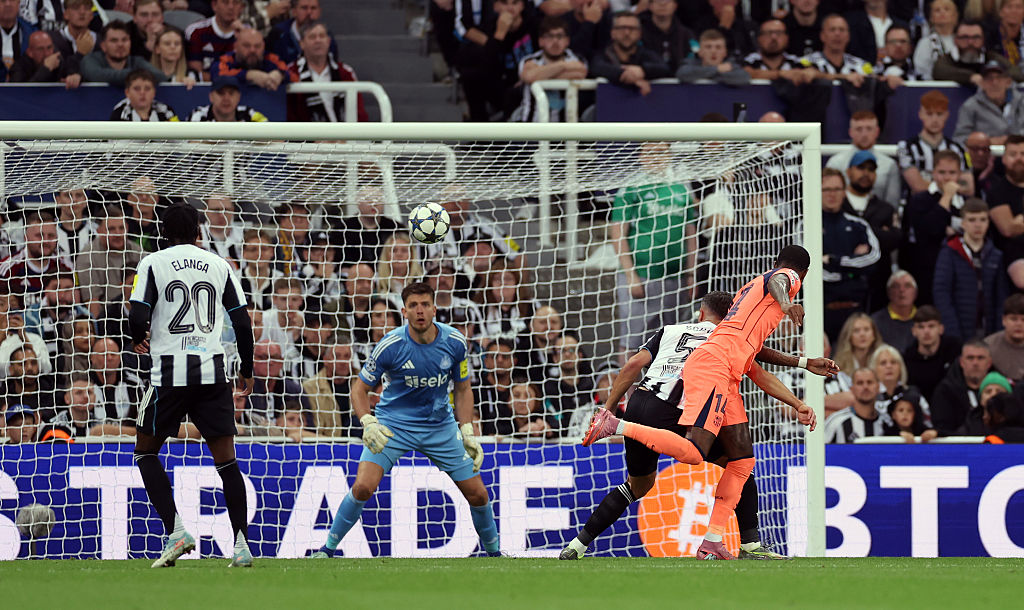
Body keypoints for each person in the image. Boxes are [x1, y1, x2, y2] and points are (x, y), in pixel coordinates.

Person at [562, 290, 832, 561]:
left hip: (641, 402)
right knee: (740, 464)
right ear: (733, 317)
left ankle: (577, 545)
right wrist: (798, 403)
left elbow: (633, 364)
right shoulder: (728, 340)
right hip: (675, 411)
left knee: (637, 486)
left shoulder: (670, 330)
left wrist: (608, 407)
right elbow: (760, 374)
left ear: (701, 313)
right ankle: (749, 545)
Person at [310, 282, 501, 559]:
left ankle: (495, 555)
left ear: (435, 309)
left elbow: (463, 388)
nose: (420, 311)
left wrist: (468, 429)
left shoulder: (455, 343)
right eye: (413, 306)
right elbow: (359, 389)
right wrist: (368, 422)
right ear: (404, 311)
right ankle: (327, 549)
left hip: (440, 427)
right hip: (394, 426)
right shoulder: (390, 345)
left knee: (479, 495)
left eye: (425, 304)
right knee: (363, 487)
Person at [127, 202, 256, 568]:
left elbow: (138, 314)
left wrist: (138, 336)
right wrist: (246, 367)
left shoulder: (152, 263)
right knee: (227, 461)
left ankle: (176, 531)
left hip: (169, 373)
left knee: (146, 452)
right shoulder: (220, 265)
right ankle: (242, 546)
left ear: (163, 233)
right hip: (212, 374)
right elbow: (242, 323)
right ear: (199, 231)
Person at [611, 141, 696, 356]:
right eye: (649, 152)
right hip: (641, 276)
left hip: (675, 279)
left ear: (669, 155)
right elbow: (617, 232)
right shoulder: (631, 187)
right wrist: (630, 275)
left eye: (660, 152)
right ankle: (629, 391)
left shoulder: (681, 187)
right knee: (632, 342)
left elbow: (691, 234)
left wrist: (691, 274)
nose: (655, 157)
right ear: (640, 157)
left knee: (675, 342)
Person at [933, 197, 1009, 341]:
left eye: (982, 220)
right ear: (963, 223)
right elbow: (941, 292)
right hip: (959, 325)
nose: (978, 225)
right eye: (972, 220)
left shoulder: (996, 255)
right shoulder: (950, 251)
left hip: (989, 328)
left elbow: (1001, 296)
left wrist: (999, 329)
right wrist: (951, 329)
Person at [901, 150, 969, 305]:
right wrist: (946, 197)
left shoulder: (965, 202)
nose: (946, 177)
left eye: (952, 172)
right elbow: (931, 229)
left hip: (959, 272)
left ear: (959, 174)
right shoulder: (919, 200)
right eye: (941, 172)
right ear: (933, 173)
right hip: (928, 271)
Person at [820, 167, 881, 341]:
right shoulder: (806, 225)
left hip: (857, 311)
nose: (832, 194)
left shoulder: (858, 225)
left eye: (837, 189)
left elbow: (873, 259)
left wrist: (832, 260)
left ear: (844, 192)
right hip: (823, 313)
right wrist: (853, 271)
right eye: (826, 189)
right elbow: (811, 270)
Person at [456, 0, 538, 121]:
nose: (510, 8)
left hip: (531, 81)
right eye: (505, 3)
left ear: (522, 6)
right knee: (470, 77)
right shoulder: (490, 26)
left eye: (514, 3)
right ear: (496, 6)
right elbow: (488, 64)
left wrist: (526, 77)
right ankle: (480, 135)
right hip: (503, 83)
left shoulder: (534, 25)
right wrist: (500, 34)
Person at [842, 151, 899, 311]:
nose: (866, 173)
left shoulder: (885, 208)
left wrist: (855, 230)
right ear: (848, 171)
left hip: (877, 286)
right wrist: (878, 232)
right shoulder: (838, 204)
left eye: (871, 169)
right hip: (842, 285)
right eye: (860, 168)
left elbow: (894, 240)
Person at [742, 18, 830, 124]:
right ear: (759, 38)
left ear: (787, 38)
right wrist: (780, 74)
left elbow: (820, 73)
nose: (773, 37)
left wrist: (813, 73)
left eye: (779, 33)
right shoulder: (748, 61)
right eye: (768, 33)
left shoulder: (797, 62)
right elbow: (743, 73)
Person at [288, 21, 366, 122]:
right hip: (307, 135)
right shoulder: (291, 73)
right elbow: (291, 116)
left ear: (328, 41)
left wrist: (345, 136)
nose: (318, 40)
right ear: (302, 44)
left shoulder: (345, 72)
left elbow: (359, 112)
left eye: (322, 36)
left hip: (344, 134)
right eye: (312, 37)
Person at [75, 205, 144, 318]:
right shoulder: (87, 257)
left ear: (127, 227)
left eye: (121, 228)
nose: (118, 233)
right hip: (107, 319)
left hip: (137, 314)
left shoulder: (139, 253)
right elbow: (93, 302)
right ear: (99, 231)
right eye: (111, 229)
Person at [516, 16, 587, 122]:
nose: (555, 41)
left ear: (567, 41)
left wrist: (542, 74)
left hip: (566, 130)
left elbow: (580, 73)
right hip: (531, 129)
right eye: (549, 36)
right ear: (540, 41)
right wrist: (563, 66)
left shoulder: (576, 59)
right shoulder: (529, 60)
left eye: (559, 36)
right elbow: (530, 76)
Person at [898, 90, 969, 196]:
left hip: (953, 207)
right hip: (918, 208)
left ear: (947, 115)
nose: (935, 120)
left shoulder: (958, 148)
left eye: (939, 114)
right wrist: (950, 188)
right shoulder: (906, 148)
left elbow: (968, 186)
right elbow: (917, 186)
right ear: (920, 114)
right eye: (929, 114)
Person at [825, 111, 901, 207]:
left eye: (869, 129)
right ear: (850, 132)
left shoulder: (889, 165)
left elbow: (892, 204)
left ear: (877, 132)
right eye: (859, 129)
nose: (864, 134)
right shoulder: (835, 163)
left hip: (877, 219)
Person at [588, 10, 670, 96]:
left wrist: (643, 71)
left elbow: (664, 68)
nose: (627, 33)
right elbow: (597, 67)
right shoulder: (603, 54)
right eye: (621, 28)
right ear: (612, 33)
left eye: (632, 29)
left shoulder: (647, 54)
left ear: (639, 33)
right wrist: (627, 76)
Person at [0, 211, 70, 305]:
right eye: (39, 236)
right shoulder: (7, 269)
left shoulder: (66, 266)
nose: (46, 241)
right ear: (26, 238)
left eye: (51, 236)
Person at [933, 19, 1024, 86]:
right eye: (964, 37)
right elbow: (939, 71)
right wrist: (971, 77)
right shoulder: (947, 59)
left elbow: (1017, 73)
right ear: (955, 40)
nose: (970, 43)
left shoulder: (991, 57)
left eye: (976, 37)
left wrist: (993, 78)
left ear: (983, 40)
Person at [985, 135, 1024, 291]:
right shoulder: (997, 192)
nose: (1019, 159)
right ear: (1004, 159)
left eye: (1023, 154)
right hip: (1012, 256)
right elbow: (1008, 229)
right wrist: (1014, 225)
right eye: (1013, 154)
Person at [930, 340, 993, 435]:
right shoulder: (946, 391)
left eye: (980, 358)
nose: (975, 363)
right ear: (961, 362)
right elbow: (942, 428)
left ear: (989, 363)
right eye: (970, 358)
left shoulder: (999, 390)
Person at [953, 60, 1024, 145]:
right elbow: (959, 139)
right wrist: (986, 142)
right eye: (989, 78)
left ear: (1008, 82)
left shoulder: (1021, 102)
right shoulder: (970, 106)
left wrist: (1014, 140)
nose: (994, 83)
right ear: (982, 83)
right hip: (984, 155)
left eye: (999, 77)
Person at [903, 305, 961, 403]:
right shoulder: (907, 358)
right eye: (921, 327)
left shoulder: (955, 350)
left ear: (941, 329)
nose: (926, 332)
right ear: (914, 331)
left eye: (931, 326)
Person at [80, 20, 167, 86]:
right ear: (103, 46)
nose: (120, 45)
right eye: (114, 41)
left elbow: (160, 76)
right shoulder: (91, 59)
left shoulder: (137, 61)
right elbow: (96, 75)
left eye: (124, 40)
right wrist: (137, 75)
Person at [331, 186, 398, 267]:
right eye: (368, 199)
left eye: (378, 199)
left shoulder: (395, 229)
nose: (374, 203)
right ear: (358, 201)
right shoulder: (341, 230)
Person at [301, 341, 357, 437]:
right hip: (325, 444)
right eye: (337, 356)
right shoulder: (310, 387)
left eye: (347, 356)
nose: (343, 361)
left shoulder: (364, 383)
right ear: (325, 360)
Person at [210, 26, 290, 90]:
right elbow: (218, 75)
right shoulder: (226, 59)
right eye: (246, 46)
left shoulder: (270, 58)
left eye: (257, 46)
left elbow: (292, 73)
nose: (252, 50)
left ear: (263, 47)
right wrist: (248, 75)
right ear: (235, 46)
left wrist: (280, 75)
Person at [824, 367, 888, 443]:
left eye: (870, 382)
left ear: (878, 387)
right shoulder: (836, 422)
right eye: (860, 383)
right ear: (852, 389)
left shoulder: (887, 422)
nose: (865, 387)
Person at [264, 0, 336, 65]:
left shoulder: (325, 36)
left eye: (313, 8)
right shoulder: (278, 33)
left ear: (319, 11)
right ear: (294, 11)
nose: (309, 12)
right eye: (304, 8)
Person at [185, 0, 244, 79]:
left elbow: (250, 71)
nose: (231, 7)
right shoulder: (196, 31)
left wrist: (243, 37)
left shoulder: (247, 34)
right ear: (214, 5)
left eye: (236, 3)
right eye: (225, 2)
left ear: (241, 7)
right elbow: (197, 75)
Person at [676, 27, 751, 86]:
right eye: (708, 47)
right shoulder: (690, 64)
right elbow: (682, 74)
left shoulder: (731, 66)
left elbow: (744, 77)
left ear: (725, 52)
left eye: (718, 47)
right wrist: (717, 69)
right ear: (700, 52)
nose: (713, 51)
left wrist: (702, 74)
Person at [870, 270, 918, 352]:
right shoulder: (874, 322)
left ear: (916, 292)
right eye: (896, 286)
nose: (902, 290)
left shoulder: (924, 319)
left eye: (907, 286)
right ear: (888, 292)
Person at [8, 29, 80, 85]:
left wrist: (75, 77)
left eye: (49, 48)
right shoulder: (19, 67)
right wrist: (45, 69)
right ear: (30, 52)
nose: (46, 54)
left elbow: (71, 70)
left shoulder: (58, 60)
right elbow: (20, 95)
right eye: (40, 49)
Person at [639, 0, 693, 72]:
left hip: (681, 79)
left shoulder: (686, 34)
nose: (662, 4)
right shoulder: (639, 33)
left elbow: (694, 56)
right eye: (658, 1)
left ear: (675, 5)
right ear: (650, 6)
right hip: (647, 77)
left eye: (667, 1)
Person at [187, 75, 269, 121]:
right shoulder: (199, 115)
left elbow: (275, 137)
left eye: (231, 93)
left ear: (239, 97)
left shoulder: (249, 114)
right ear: (211, 96)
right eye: (221, 93)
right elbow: (190, 144)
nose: (226, 98)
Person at [912, 0, 958, 80]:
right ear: (931, 18)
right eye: (937, 10)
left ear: (955, 16)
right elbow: (921, 71)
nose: (942, 12)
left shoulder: (963, 40)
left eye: (947, 9)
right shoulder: (925, 43)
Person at [109, 68, 179, 121]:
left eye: (147, 89)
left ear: (154, 92)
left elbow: (180, 137)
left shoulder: (166, 111)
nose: (142, 93)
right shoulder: (119, 113)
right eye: (137, 89)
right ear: (127, 92)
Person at [985, 293, 1024, 380]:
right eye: (1013, 319)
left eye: (1023, 320)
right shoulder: (987, 347)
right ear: (1003, 320)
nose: (1019, 324)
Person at [0, 0, 35, 80]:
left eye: (12, 0)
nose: (8, 4)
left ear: (19, 3)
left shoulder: (32, 33)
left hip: (23, 89)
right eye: (3, 1)